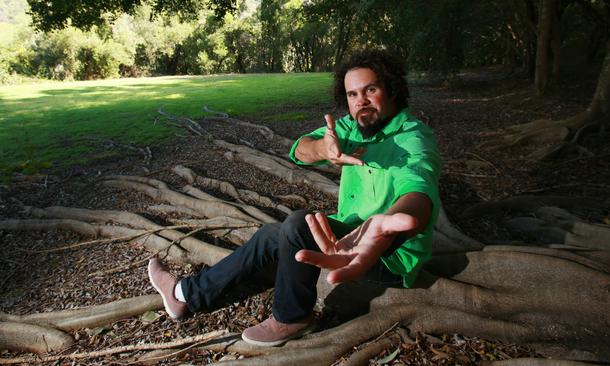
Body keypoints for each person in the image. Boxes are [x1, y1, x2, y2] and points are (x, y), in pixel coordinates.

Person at [148, 49, 441, 347]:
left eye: (371, 89)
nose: (360, 101)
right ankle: (185, 295)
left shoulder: (412, 139)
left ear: (392, 88)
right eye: (352, 94)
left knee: (299, 224)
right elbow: (300, 149)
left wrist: (387, 227)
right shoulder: (351, 128)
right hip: (347, 234)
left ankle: (292, 318)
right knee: (269, 235)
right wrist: (323, 151)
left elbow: (417, 191)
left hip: (387, 256)